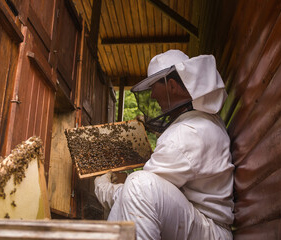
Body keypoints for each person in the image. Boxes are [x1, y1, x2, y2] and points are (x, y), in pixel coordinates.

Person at [94, 50, 234, 239]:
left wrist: (103, 187)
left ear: (172, 86)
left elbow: (140, 197)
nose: (152, 96)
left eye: (153, 86)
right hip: (202, 226)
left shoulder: (186, 134)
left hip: (209, 231)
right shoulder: (201, 121)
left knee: (139, 185)